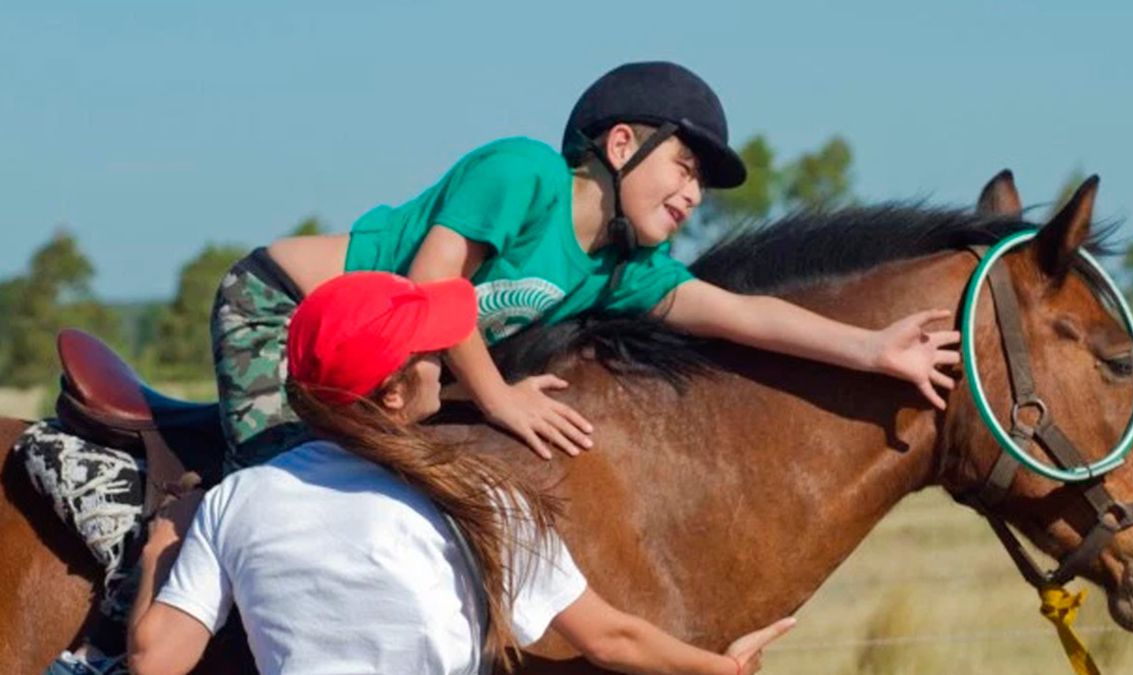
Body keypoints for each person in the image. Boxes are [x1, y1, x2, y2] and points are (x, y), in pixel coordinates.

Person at [215, 60, 960, 472]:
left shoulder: (623, 268)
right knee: (277, 487)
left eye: (699, 183)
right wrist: (499, 398)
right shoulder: (522, 172)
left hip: (382, 367)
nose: (692, 194)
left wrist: (870, 346)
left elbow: (744, 313)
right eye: (684, 165)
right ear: (620, 143)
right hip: (279, 308)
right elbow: (428, 291)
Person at [126, 272, 796, 675]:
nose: (443, 362)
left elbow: (155, 661)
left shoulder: (239, 498)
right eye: (429, 352)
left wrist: (164, 543)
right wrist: (720, 665)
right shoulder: (477, 495)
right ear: (392, 392)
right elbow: (609, 637)